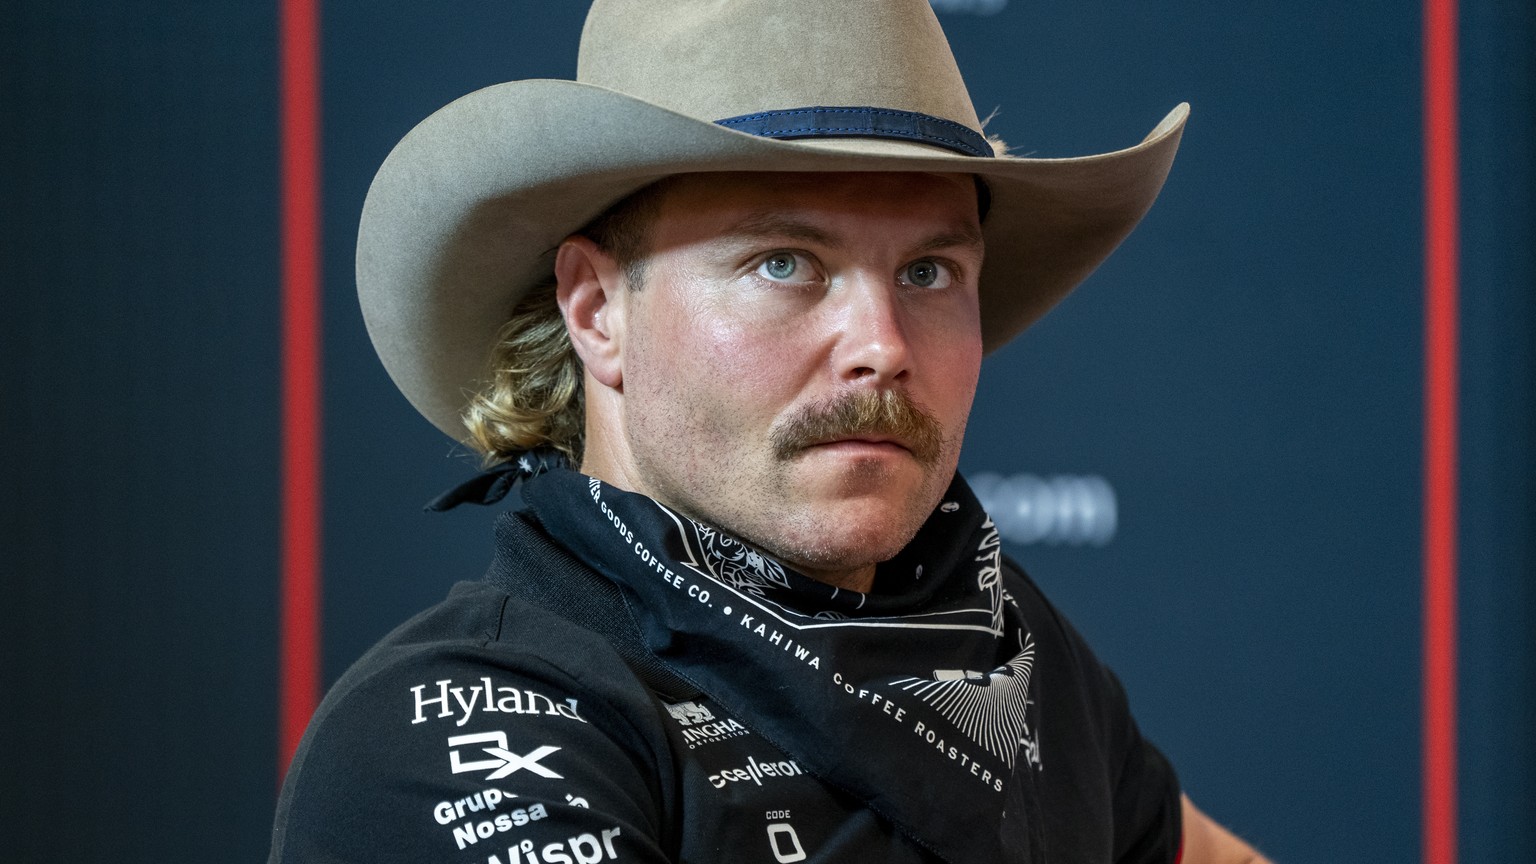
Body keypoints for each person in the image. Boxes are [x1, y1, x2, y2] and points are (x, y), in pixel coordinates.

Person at [270, 1, 1272, 861]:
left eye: (929, 273)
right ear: (595, 310)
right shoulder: (463, 734)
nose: (881, 344)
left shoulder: (1014, 653)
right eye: (784, 263)